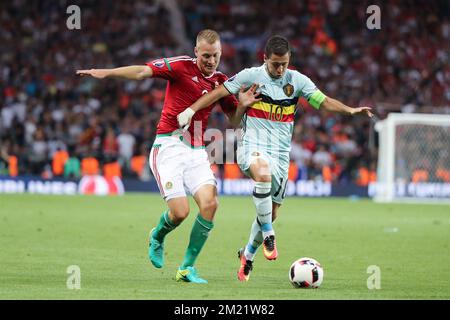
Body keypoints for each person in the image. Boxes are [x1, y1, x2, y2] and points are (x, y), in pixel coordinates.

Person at [177, 35, 373, 282]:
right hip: (253, 146)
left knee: (271, 211)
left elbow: (323, 102)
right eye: (275, 64)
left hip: (281, 154)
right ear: (264, 59)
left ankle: (247, 254)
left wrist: (350, 109)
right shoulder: (251, 75)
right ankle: (269, 234)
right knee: (262, 174)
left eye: (284, 63)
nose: (280, 69)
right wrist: (191, 110)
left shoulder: (297, 81)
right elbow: (217, 92)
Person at [76, 29, 260, 284]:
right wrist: (107, 72)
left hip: (197, 152)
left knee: (210, 204)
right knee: (180, 212)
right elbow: (142, 71)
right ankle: (158, 235)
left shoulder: (221, 81)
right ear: (196, 52)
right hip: (169, 147)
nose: (210, 60)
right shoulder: (180, 66)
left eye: (215, 55)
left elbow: (234, 120)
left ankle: (186, 268)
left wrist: (242, 105)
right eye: (205, 55)